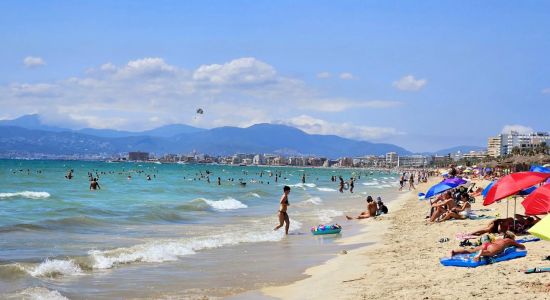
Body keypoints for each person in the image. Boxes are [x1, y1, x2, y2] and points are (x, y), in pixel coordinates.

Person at [450, 236, 526, 262]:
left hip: (488, 244)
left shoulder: (499, 239)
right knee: (491, 252)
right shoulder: (508, 240)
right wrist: (517, 244)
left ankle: (455, 252)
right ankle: (481, 253)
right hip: (493, 247)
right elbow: (522, 246)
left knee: (471, 251)